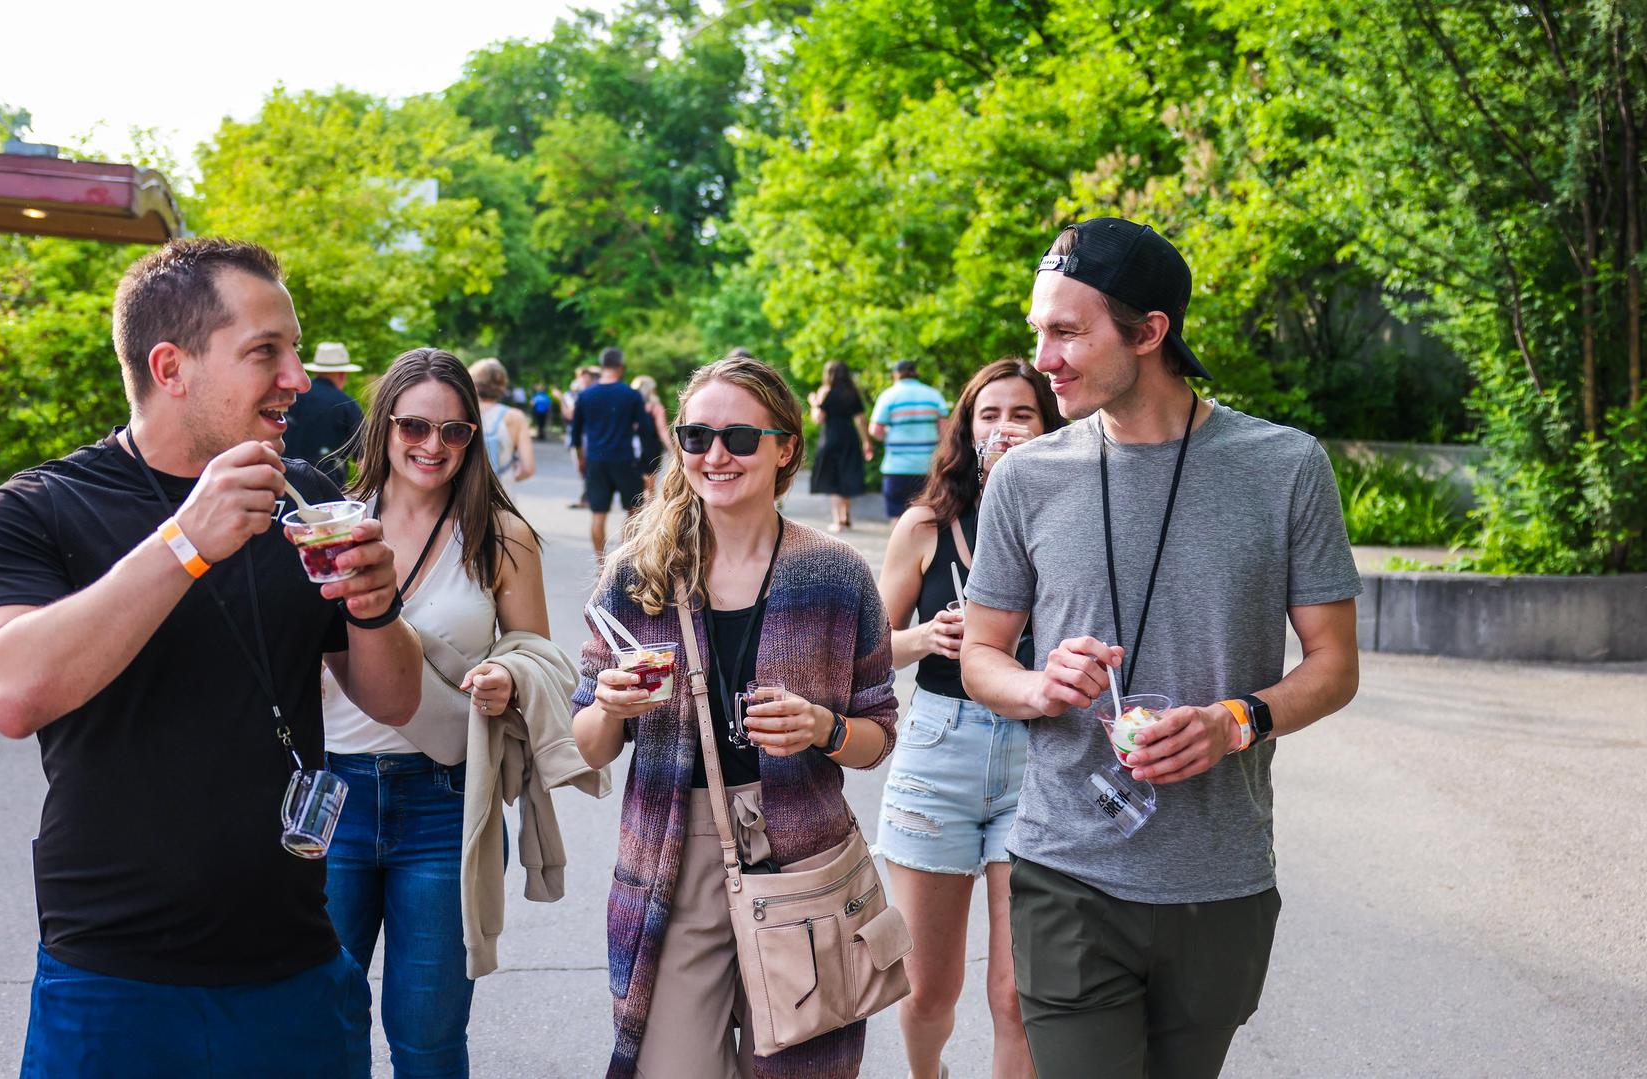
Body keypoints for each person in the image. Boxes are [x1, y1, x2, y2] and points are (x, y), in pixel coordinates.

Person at [0, 238, 427, 1076]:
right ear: (171, 367)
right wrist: (184, 542)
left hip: (296, 966)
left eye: (293, 349)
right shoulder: (37, 509)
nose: (298, 379)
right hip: (111, 976)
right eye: (265, 352)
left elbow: (392, 699)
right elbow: (9, 691)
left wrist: (376, 603)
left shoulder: (305, 499)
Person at [959, 218, 1363, 1079]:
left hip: (1221, 874)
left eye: (1067, 332)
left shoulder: (1285, 466)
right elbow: (980, 657)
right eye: (1039, 330)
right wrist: (1037, 684)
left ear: (1149, 333)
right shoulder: (1027, 476)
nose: (1044, 356)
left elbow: (1334, 665)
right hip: (1066, 869)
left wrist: (1235, 721)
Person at [571, 354, 900, 1079]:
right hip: (671, 851)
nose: (715, 455)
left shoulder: (836, 574)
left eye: (739, 438)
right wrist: (609, 703)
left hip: (804, 856)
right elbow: (587, 744)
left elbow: (877, 735)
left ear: (785, 447)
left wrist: (825, 729)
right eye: (695, 437)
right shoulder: (639, 572)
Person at [321, 347, 603, 1077]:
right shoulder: (329, 523)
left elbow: (539, 654)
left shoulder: (497, 533)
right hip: (328, 797)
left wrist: (507, 674)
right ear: (383, 425)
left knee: (428, 1036)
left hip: (444, 800)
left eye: (455, 431)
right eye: (415, 425)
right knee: (319, 1024)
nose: (433, 445)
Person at [875, 358, 1059, 1079]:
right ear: (967, 428)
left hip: (1041, 757)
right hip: (938, 751)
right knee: (927, 990)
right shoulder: (926, 525)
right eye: (991, 414)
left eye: (1024, 414)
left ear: (1050, 426)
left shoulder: (1078, 518)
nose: (1007, 428)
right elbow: (868, 652)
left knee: (1017, 995)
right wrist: (926, 638)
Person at [570, 348, 659, 561]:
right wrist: (649, 466)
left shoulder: (585, 395)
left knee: (598, 514)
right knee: (633, 512)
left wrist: (582, 459)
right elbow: (646, 431)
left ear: (601, 367)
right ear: (621, 367)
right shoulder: (631, 395)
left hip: (596, 461)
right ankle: (623, 562)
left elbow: (575, 433)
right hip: (625, 460)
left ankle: (601, 566)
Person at [869, 360, 949, 521]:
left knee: (898, 517)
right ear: (915, 372)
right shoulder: (933, 395)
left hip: (897, 468)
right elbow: (945, 431)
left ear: (896, 375)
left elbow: (875, 430)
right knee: (928, 517)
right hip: (928, 467)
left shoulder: (888, 395)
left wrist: (889, 436)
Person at [286, 341, 366, 487]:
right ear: (343, 375)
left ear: (317, 371)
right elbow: (365, 459)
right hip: (326, 495)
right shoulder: (346, 405)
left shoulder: (290, 398)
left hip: (283, 488)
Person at [807, 361, 873, 532]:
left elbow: (818, 418)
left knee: (833, 478)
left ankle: (838, 520)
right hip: (849, 436)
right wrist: (866, 441)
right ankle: (846, 515)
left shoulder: (825, 391)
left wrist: (814, 402)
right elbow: (860, 419)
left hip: (830, 437)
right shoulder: (851, 393)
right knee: (846, 473)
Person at [468, 356, 537, 482]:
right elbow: (528, 468)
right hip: (503, 490)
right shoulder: (515, 417)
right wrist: (510, 477)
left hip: (468, 490)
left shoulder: (463, 412)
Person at [629, 373, 674, 498]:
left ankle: (635, 514)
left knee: (635, 486)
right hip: (650, 448)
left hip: (631, 448)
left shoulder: (629, 406)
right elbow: (662, 430)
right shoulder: (655, 407)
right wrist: (672, 449)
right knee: (650, 487)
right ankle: (648, 515)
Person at [564, 366, 600, 510]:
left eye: (585, 376)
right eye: (581, 376)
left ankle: (588, 497)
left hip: (587, 436)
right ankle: (588, 495)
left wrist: (561, 399)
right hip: (580, 434)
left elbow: (570, 414)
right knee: (582, 467)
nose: (582, 379)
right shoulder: (581, 394)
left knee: (585, 466)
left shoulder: (587, 395)